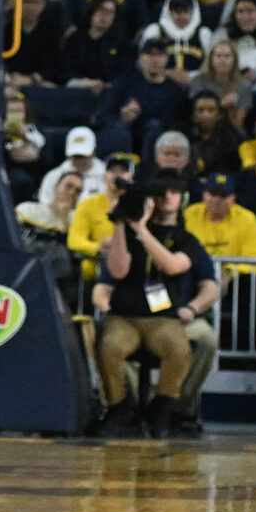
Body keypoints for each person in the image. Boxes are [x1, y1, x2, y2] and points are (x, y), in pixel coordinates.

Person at [93, 173, 219, 438]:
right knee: (109, 347)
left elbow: (172, 266)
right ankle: (120, 407)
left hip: (164, 317)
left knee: (179, 349)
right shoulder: (125, 232)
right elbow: (116, 271)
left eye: (173, 192)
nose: (165, 197)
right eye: (160, 193)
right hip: (124, 315)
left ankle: (164, 406)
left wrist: (142, 230)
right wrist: (120, 221)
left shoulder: (185, 239)